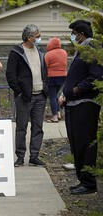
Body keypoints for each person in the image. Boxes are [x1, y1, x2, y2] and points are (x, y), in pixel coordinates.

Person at [59, 20, 103, 195]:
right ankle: (82, 180)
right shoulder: (81, 51)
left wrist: (77, 89)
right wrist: (66, 94)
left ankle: (89, 183)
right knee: (77, 144)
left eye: (75, 34)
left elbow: (97, 77)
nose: (73, 37)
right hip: (73, 104)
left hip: (85, 105)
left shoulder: (92, 49)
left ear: (82, 35)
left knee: (85, 143)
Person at [6, 24, 48, 167]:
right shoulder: (16, 52)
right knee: (21, 127)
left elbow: (44, 72)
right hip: (24, 97)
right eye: (37, 36)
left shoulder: (40, 52)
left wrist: (45, 89)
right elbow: (10, 75)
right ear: (29, 38)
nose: (39, 38)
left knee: (38, 127)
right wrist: (19, 92)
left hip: (40, 96)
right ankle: (20, 156)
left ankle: (34, 156)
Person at [45, 37, 67, 122]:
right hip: (63, 77)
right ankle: (58, 114)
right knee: (56, 95)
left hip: (52, 77)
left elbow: (45, 66)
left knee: (52, 96)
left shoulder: (48, 54)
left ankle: (54, 116)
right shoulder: (64, 52)